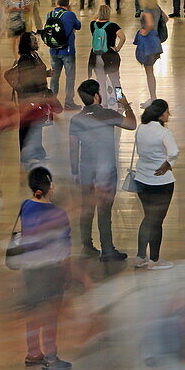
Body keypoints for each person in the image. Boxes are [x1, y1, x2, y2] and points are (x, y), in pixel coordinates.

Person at [70, 79, 136, 261]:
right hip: (105, 171)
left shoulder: (76, 120)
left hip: (85, 171)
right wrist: (125, 105)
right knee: (104, 210)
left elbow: (73, 148)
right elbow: (131, 124)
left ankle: (87, 246)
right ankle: (107, 249)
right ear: (97, 96)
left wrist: (75, 172)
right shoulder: (107, 115)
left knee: (87, 208)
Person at [16, 166, 72, 370]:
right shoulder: (58, 213)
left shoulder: (25, 206)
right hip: (51, 270)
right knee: (50, 315)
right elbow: (64, 249)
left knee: (33, 311)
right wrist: (68, 273)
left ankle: (33, 353)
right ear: (51, 186)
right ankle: (51, 357)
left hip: (29, 268)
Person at [132, 99, 177, 270]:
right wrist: (168, 163)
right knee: (157, 221)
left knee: (148, 217)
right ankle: (155, 260)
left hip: (142, 179)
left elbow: (139, 151)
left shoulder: (141, 128)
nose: (169, 115)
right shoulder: (164, 133)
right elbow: (173, 152)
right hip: (161, 182)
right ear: (160, 114)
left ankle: (140, 256)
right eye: (167, 111)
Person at [11, 32, 61, 168]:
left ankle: (38, 152)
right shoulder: (25, 59)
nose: (36, 42)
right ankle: (26, 155)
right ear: (27, 43)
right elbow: (21, 77)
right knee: (27, 126)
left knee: (37, 124)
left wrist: (47, 74)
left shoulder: (35, 56)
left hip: (38, 96)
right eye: (33, 40)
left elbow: (36, 73)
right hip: (29, 98)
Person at [44, 0, 82, 110]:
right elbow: (78, 26)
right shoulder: (70, 14)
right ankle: (69, 102)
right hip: (67, 51)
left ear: (57, 3)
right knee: (70, 77)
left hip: (54, 50)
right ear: (68, 4)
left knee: (54, 76)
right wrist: (70, 12)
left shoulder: (49, 14)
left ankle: (52, 102)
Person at [133, 0, 166, 105]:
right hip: (156, 41)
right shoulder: (157, 8)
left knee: (149, 73)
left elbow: (150, 24)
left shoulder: (146, 10)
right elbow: (165, 19)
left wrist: (145, 30)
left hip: (148, 43)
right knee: (150, 71)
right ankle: (153, 97)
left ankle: (153, 98)